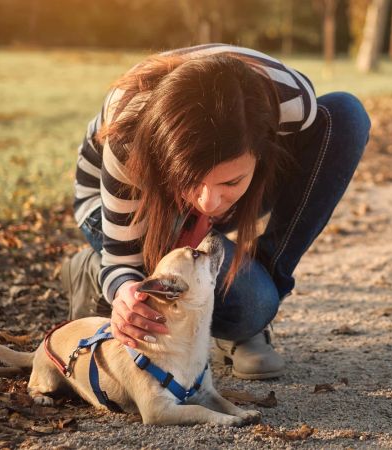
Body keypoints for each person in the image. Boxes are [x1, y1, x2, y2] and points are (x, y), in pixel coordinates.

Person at [60, 44, 370, 380]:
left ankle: (254, 309)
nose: (208, 203)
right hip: (126, 203)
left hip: (228, 182)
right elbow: (123, 261)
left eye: (230, 180)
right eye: (192, 181)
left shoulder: (293, 104)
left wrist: (255, 298)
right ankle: (90, 269)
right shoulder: (129, 130)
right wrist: (124, 289)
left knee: (344, 115)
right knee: (246, 305)